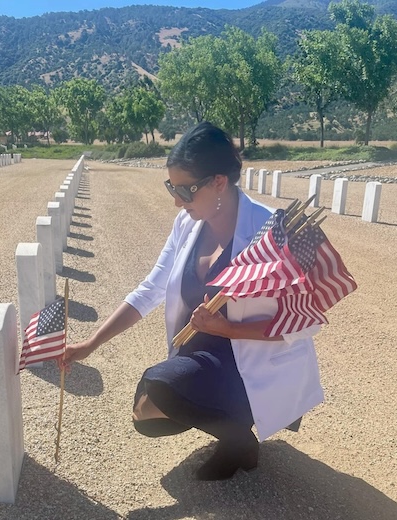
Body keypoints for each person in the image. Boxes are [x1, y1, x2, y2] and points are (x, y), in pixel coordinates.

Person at [63, 122, 324, 480]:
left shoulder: (271, 233)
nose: (175, 200)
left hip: (251, 363)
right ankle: (233, 431)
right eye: (171, 187)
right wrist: (90, 344)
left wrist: (228, 327)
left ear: (218, 181)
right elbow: (150, 289)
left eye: (184, 190)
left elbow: (301, 324)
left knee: (160, 386)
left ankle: (238, 440)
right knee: (147, 411)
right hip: (201, 353)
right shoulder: (187, 225)